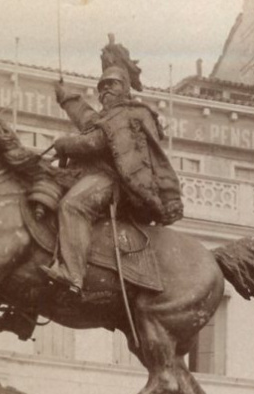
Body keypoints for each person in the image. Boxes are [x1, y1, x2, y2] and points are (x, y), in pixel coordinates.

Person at [41, 40, 183, 295]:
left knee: (73, 206)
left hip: (110, 181)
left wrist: (65, 144)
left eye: (111, 85)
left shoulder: (131, 114)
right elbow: (86, 118)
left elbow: (95, 142)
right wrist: (65, 97)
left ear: (125, 89)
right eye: (101, 87)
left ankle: (73, 274)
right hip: (87, 175)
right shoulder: (106, 117)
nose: (105, 91)